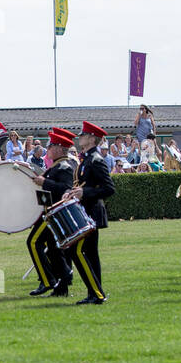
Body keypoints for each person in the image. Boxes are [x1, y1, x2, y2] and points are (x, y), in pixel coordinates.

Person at [64, 121, 114, 305]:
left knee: (80, 251)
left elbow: (109, 188)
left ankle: (97, 293)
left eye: (83, 135)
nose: (80, 138)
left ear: (92, 139)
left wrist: (85, 193)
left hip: (92, 212)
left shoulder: (96, 160)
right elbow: (82, 185)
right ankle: (95, 293)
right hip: (85, 212)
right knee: (89, 253)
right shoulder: (87, 158)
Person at [26, 127, 77, 297]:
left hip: (54, 214)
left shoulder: (64, 166)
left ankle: (47, 280)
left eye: (50, 146)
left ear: (58, 148)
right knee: (55, 250)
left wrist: (44, 182)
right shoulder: (58, 165)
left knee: (33, 242)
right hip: (49, 212)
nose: (47, 150)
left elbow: (65, 189)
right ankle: (63, 281)